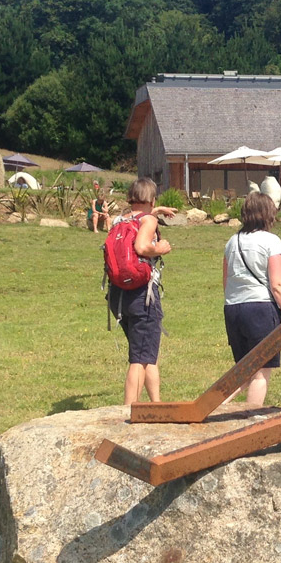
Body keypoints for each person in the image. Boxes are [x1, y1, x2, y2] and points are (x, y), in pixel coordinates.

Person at [222, 191, 281, 408]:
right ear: (268, 214)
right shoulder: (271, 241)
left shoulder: (232, 241)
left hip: (233, 308)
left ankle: (214, 407)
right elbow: (277, 285)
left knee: (243, 371)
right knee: (261, 373)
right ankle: (250, 422)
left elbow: (226, 281)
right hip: (260, 310)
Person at [110, 178, 172, 418]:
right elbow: (141, 247)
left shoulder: (121, 219)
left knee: (146, 353)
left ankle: (156, 405)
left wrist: (154, 212)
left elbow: (137, 221)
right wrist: (161, 248)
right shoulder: (148, 221)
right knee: (139, 359)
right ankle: (129, 412)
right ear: (153, 199)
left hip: (119, 295)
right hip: (141, 295)